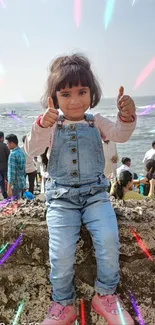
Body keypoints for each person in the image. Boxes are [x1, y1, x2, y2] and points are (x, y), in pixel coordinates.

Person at [24, 54, 136, 325]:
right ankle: (63, 303)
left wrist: (126, 115)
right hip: (61, 198)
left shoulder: (95, 121)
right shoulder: (51, 124)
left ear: (92, 93)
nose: (75, 101)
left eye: (82, 92)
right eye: (66, 94)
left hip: (96, 195)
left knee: (109, 238)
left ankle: (106, 295)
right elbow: (32, 149)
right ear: (54, 97)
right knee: (60, 251)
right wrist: (41, 125)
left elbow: (120, 134)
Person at [6, 134, 26, 200]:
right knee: (20, 204)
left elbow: (12, 173)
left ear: (12, 143)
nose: (7, 145)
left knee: (15, 205)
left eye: (7, 143)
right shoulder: (21, 152)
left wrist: (9, 188)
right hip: (22, 183)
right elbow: (23, 170)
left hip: (15, 186)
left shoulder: (12, 155)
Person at [0, 131, 10, 199]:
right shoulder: (4, 146)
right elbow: (9, 156)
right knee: (8, 180)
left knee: (1, 182)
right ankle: (10, 193)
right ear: (2, 138)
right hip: (5, 167)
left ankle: (4, 195)